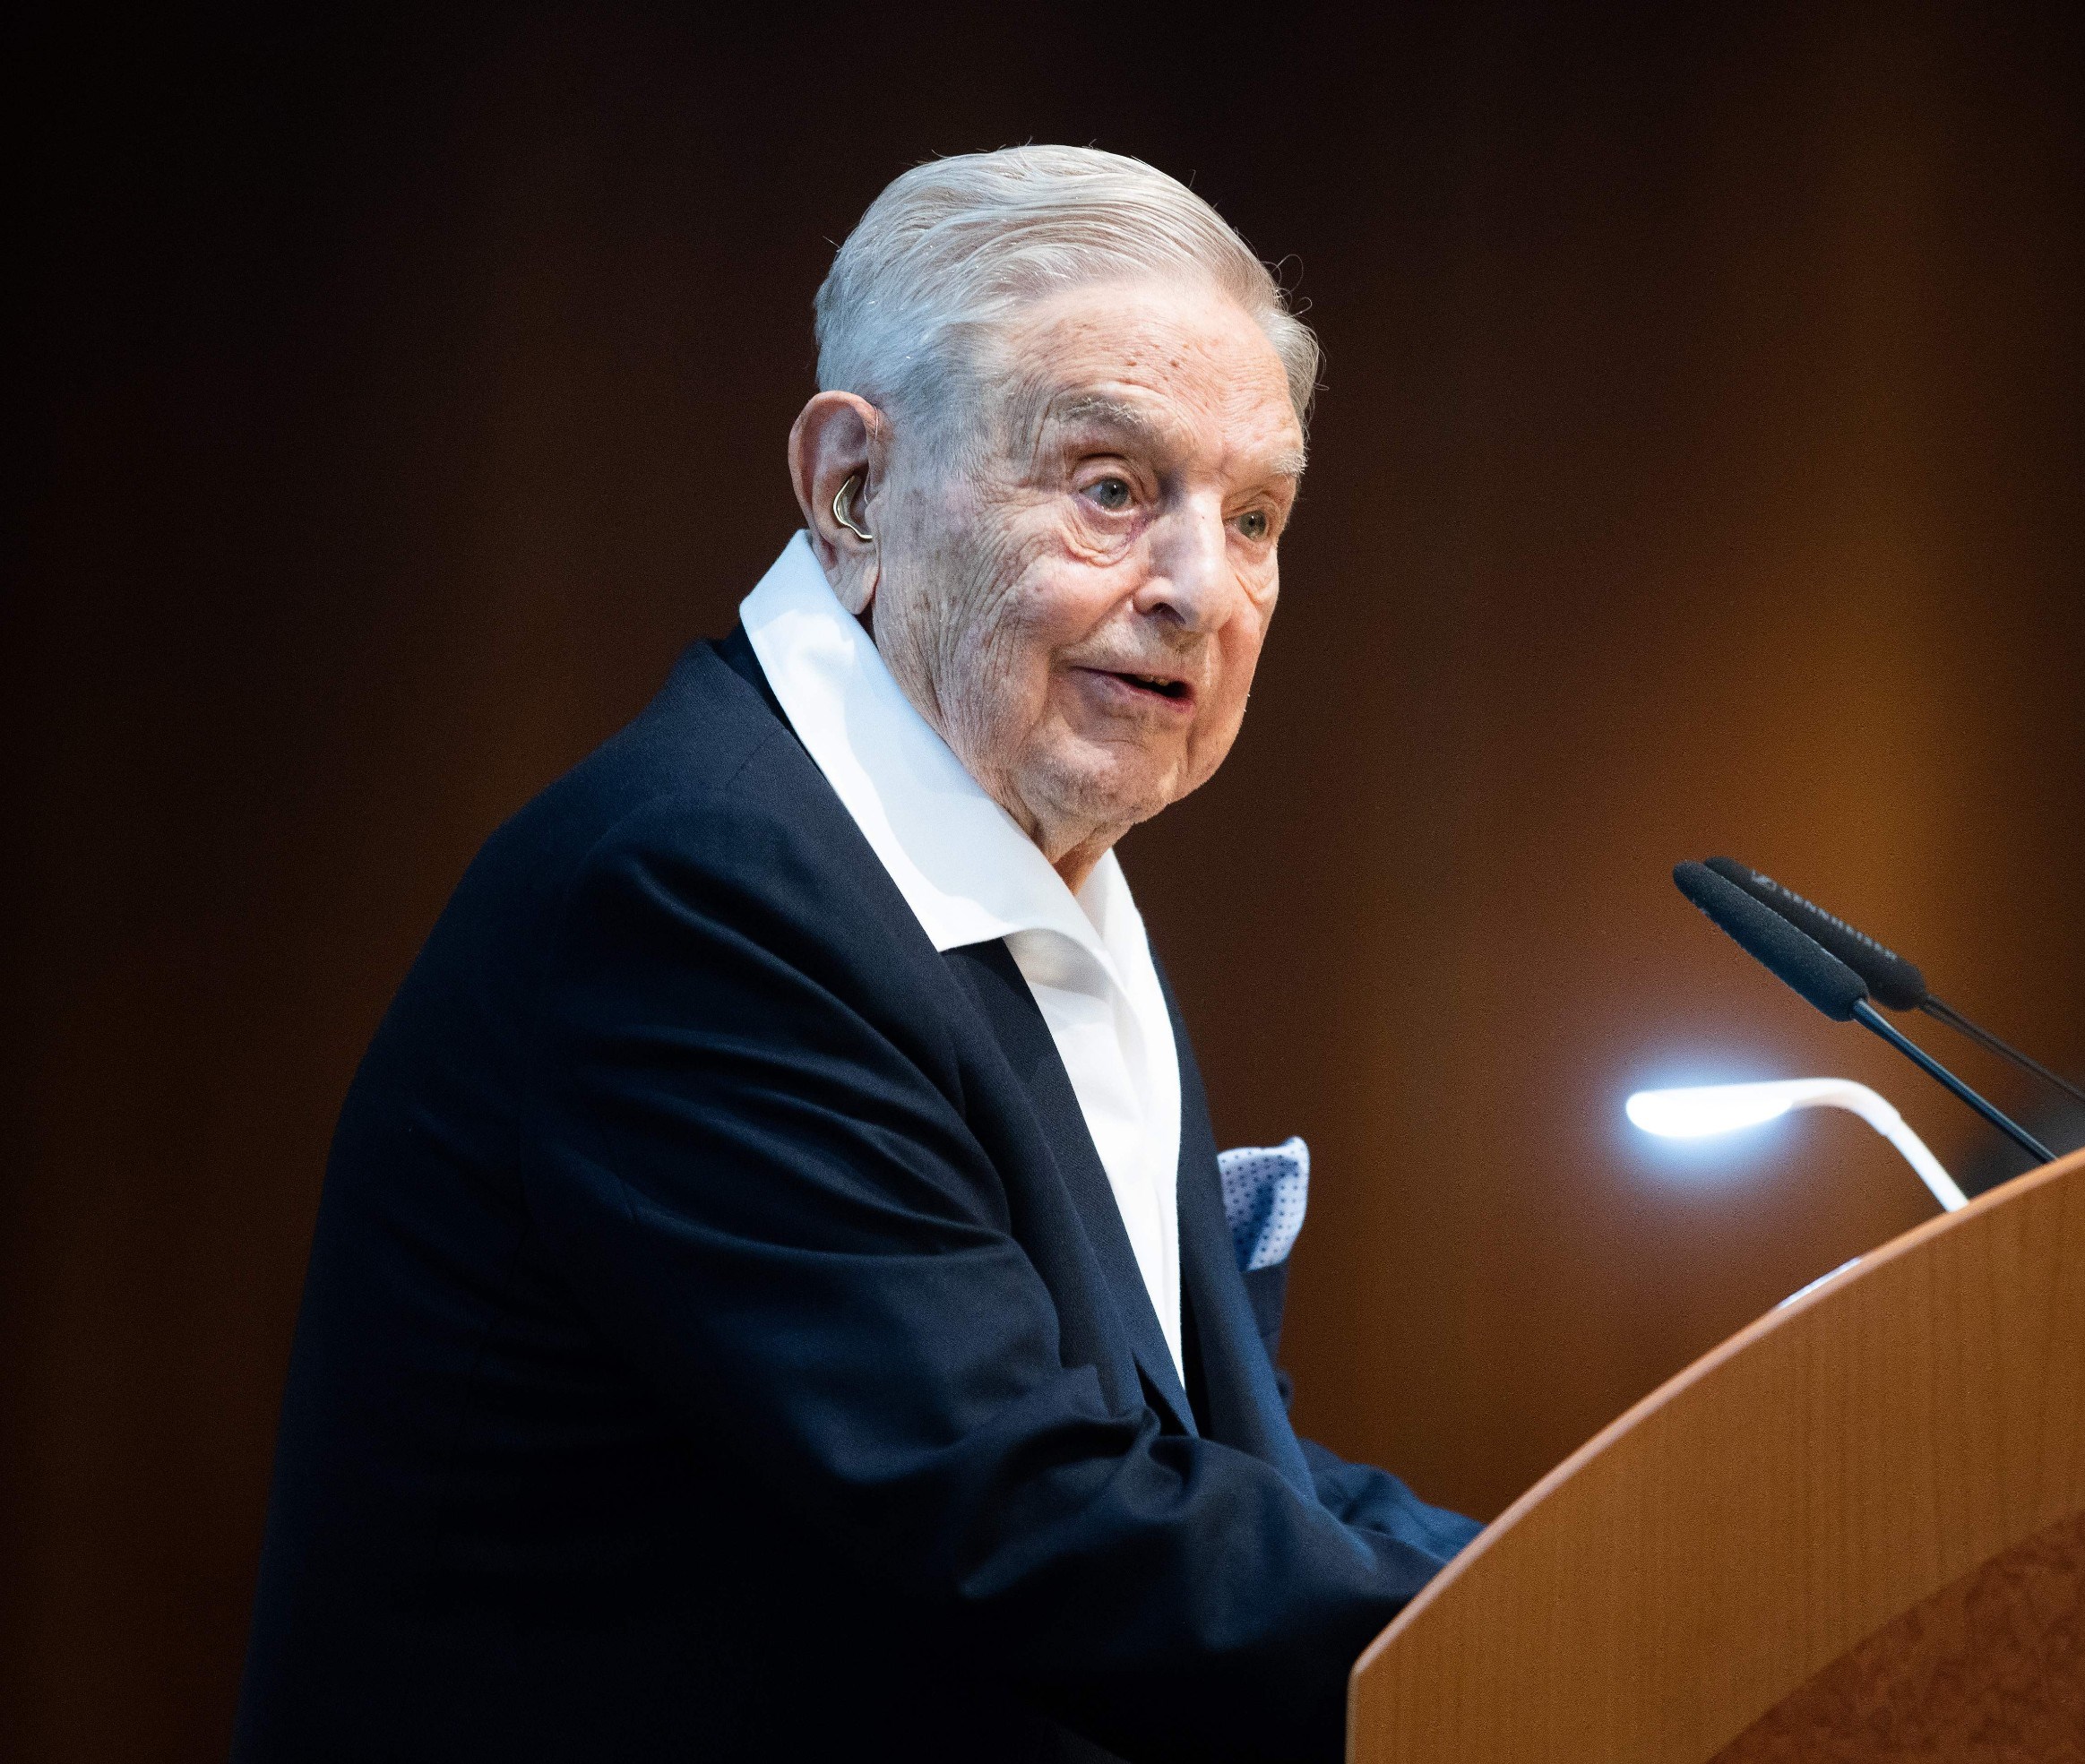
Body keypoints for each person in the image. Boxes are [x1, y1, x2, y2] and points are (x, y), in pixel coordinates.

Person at [233, 145, 1478, 1764]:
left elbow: (1212, 1461)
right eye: (1112, 487)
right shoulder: (697, 893)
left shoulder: (1020, 863)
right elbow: (1030, 1516)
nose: (1199, 590)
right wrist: (1577, 1670)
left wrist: (1617, 1593)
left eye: (1253, 517)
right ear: (851, 490)